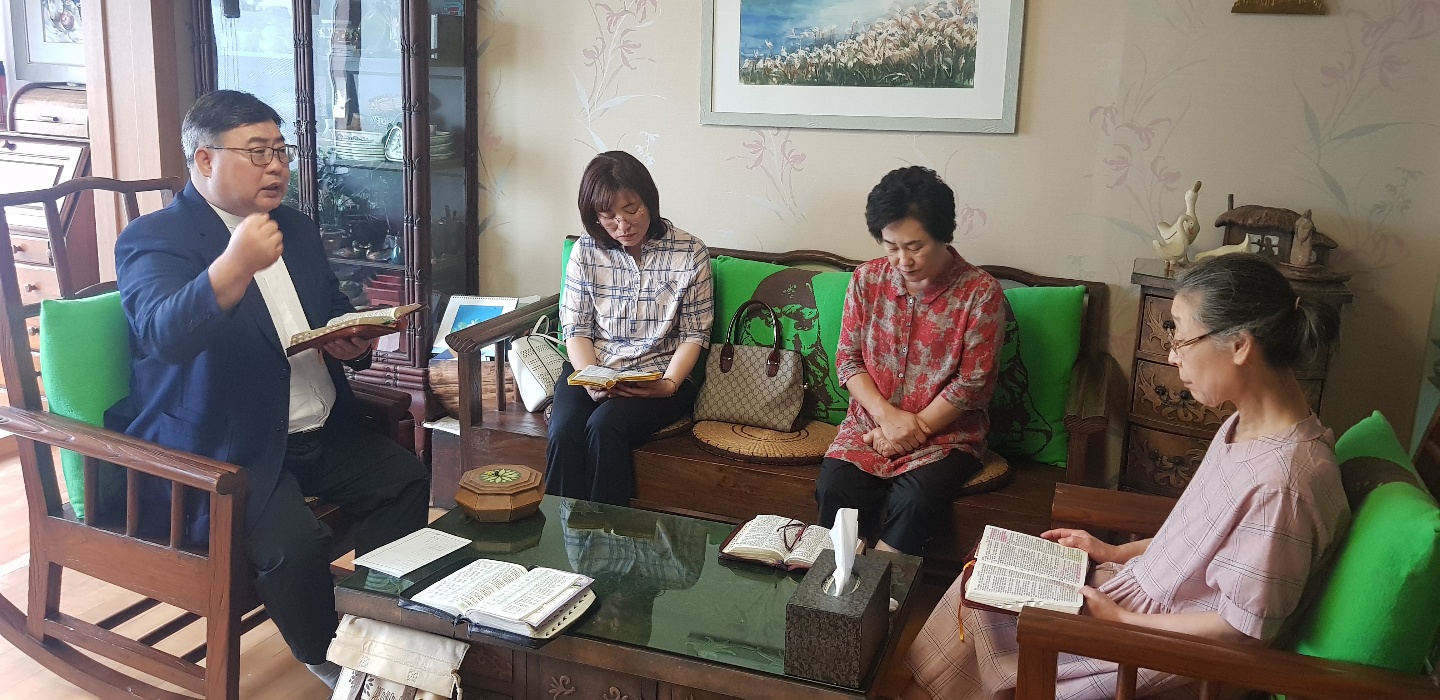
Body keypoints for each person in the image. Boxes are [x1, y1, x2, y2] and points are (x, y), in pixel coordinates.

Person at [903, 253, 1348, 700]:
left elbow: (1240, 631)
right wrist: (1114, 550)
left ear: (1240, 346)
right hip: (1137, 598)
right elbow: (1193, 536)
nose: (1172, 356)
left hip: (1162, 649)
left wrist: (1124, 622)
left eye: (1182, 338)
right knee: (979, 582)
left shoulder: (1283, 484)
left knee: (995, 618)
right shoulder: (1244, 425)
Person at [109, 90, 430, 689]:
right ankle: (331, 660)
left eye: (281, 151)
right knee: (296, 545)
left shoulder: (295, 227)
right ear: (205, 159)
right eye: (257, 152)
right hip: (229, 447)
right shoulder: (155, 238)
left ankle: (381, 626)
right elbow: (163, 334)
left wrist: (351, 342)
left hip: (318, 424)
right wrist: (234, 265)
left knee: (405, 480)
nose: (276, 166)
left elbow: (329, 309)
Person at [815, 166, 1004, 556]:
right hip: (868, 426)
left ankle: (885, 583)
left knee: (915, 500)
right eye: (891, 246)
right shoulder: (866, 280)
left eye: (915, 246)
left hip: (943, 437)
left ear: (943, 235)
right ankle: (841, 576)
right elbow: (848, 359)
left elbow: (972, 384)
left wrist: (907, 432)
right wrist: (886, 418)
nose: (903, 260)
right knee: (834, 487)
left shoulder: (980, 293)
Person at [547, 151, 714, 505]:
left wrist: (668, 385)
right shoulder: (586, 251)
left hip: (659, 377)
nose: (622, 225)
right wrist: (590, 379)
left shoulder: (690, 252)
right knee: (563, 432)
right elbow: (576, 328)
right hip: (592, 369)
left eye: (631, 209)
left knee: (605, 426)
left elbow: (694, 334)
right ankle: (561, 533)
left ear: (648, 200)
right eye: (608, 216)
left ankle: (610, 532)